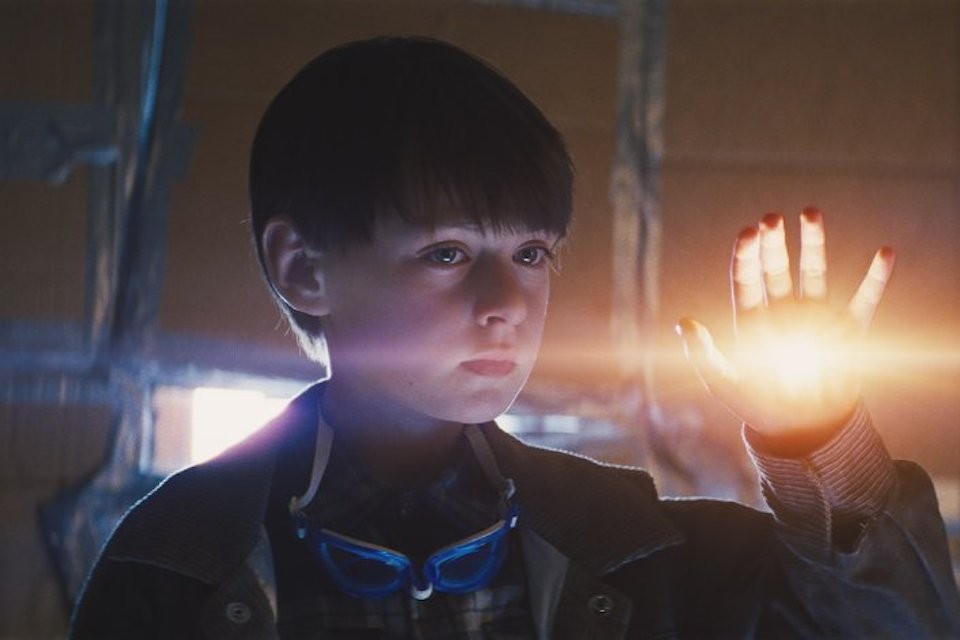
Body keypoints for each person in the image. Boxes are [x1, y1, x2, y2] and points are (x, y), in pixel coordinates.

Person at [69, 36, 960, 639]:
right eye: (447, 252)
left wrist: (818, 442)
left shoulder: (641, 548)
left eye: (531, 253)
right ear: (304, 268)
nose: (507, 303)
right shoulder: (174, 563)